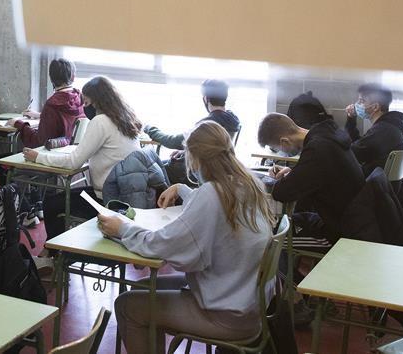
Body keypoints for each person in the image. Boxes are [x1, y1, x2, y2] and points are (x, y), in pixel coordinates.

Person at [99, 121, 277, 352]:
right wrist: (182, 189)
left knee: (126, 305)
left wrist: (122, 228)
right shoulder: (248, 183)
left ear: (194, 158)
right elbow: (216, 209)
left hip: (224, 314)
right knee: (142, 287)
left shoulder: (213, 194)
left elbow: (162, 245)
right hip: (245, 303)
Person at [23, 75, 140, 238]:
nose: (84, 107)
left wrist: (38, 157)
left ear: (97, 101)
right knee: (68, 196)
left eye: (86, 102)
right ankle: (54, 251)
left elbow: (73, 162)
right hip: (127, 196)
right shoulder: (126, 118)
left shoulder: (100, 121)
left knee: (51, 204)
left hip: (106, 199)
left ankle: (56, 254)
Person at [257, 112, 363, 244]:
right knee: (287, 221)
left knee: (270, 239)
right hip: (348, 219)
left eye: (276, 148)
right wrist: (293, 173)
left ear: (284, 141)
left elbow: (281, 193)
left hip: (338, 233)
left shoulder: (317, 149)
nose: (280, 151)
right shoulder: (327, 136)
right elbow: (317, 174)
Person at [144, 79, 241, 184]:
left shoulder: (206, 125)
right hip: (220, 170)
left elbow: (171, 141)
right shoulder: (234, 120)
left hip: (200, 172)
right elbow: (215, 149)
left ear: (206, 99)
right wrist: (185, 151)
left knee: (151, 171)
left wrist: (149, 128)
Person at [9, 57, 85, 149]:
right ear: (73, 77)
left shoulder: (52, 105)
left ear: (51, 78)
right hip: (73, 153)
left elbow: (40, 142)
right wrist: (40, 115)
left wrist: (19, 124)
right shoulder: (80, 97)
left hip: (53, 156)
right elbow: (65, 121)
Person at [344, 83, 403, 177]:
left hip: (371, 186)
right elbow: (359, 145)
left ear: (375, 107)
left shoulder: (382, 130)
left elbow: (352, 153)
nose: (357, 105)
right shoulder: (389, 126)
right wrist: (351, 119)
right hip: (380, 185)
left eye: (362, 101)